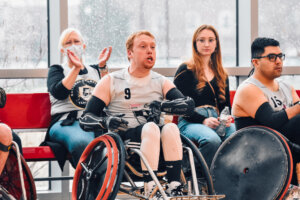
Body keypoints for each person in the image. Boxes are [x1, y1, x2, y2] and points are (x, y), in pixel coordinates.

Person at [79, 30, 195, 197]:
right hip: (124, 141)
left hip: (157, 141)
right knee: (151, 128)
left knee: (170, 129)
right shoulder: (112, 80)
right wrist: (106, 122)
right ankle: (151, 187)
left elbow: (188, 106)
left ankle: (174, 186)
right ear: (130, 53)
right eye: (143, 46)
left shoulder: (160, 81)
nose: (150, 51)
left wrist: (162, 105)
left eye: (153, 47)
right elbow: (85, 118)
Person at [232, 37, 300, 184]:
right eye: (271, 57)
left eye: (280, 56)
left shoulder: (287, 87)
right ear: (255, 62)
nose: (278, 61)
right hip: (258, 151)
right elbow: (271, 121)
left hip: (284, 147)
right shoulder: (248, 89)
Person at [42, 28, 112, 169]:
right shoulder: (57, 70)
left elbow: (109, 94)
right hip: (67, 122)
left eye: (76, 41)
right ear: (62, 50)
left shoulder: (95, 69)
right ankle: (91, 187)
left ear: (83, 46)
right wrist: (75, 68)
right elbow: (59, 93)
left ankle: (101, 187)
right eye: (68, 43)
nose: (73, 45)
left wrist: (103, 67)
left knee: (113, 144)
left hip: (95, 121)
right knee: (82, 142)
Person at [173, 24, 235, 167]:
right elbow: (179, 105)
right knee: (212, 139)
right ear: (195, 44)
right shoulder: (185, 70)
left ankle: (223, 175)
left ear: (216, 44)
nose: (206, 44)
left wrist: (225, 119)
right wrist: (203, 120)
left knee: (235, 136)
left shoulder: (222, 74)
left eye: (211, 40)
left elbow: (225, 106)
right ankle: (193, 172)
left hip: (215, 119)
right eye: (201, 40)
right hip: (190, 121)